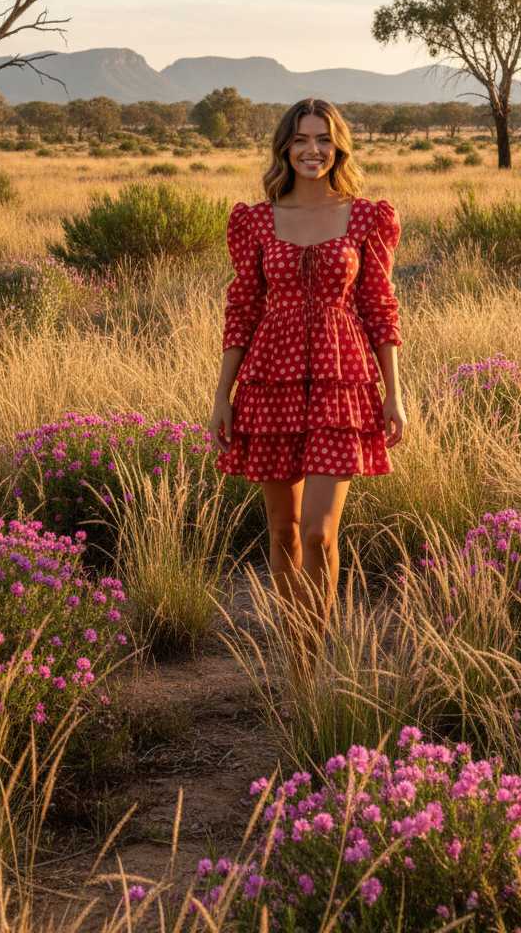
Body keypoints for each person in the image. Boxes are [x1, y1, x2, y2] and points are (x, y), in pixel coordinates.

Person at [209, 98, 406, 638]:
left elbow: (380, 307)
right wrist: (222, 395)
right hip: (270, 384)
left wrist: (394, 394)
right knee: (283, 531)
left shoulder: (367, 216)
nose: (312, 150)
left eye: (322, 139)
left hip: (342, 384)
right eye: (300, 139)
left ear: (338, 145)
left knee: (320, 533)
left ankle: (314, 653)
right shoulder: (257, 220)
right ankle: (297, 657)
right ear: (284, 147)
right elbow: (243, 309)